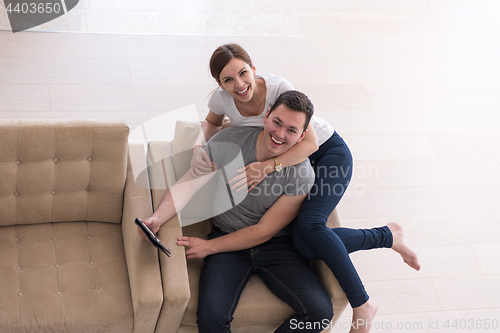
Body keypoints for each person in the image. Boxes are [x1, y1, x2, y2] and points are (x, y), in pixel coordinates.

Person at [140, 90, 417, 333]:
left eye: (292, 130)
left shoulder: (301, 174)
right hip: (228, 241)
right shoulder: (230, 141)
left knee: (319, 314)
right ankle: (387, 236)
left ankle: (385, 239)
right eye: (277, 122)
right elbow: (188, 184)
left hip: (276, 246)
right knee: (211, 318)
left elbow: (264, 231)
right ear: (266, 116)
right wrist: (157, 218)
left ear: (303, 136)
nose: (280, 134)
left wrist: (210, 247)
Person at [189, 43, 421, 333]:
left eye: (243, 73)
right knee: (303, 242)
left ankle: (362, 303)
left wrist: (268, 167)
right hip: (289, 157)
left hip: (323, 153)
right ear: (219, 83)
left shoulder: (278, 89)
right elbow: (210, 124)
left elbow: (308, 142)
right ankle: (387, 236)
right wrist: (198, 147)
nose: (239, 84)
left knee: (308, 231)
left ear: (253, 68)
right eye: (228, 79)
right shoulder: (222, 100)